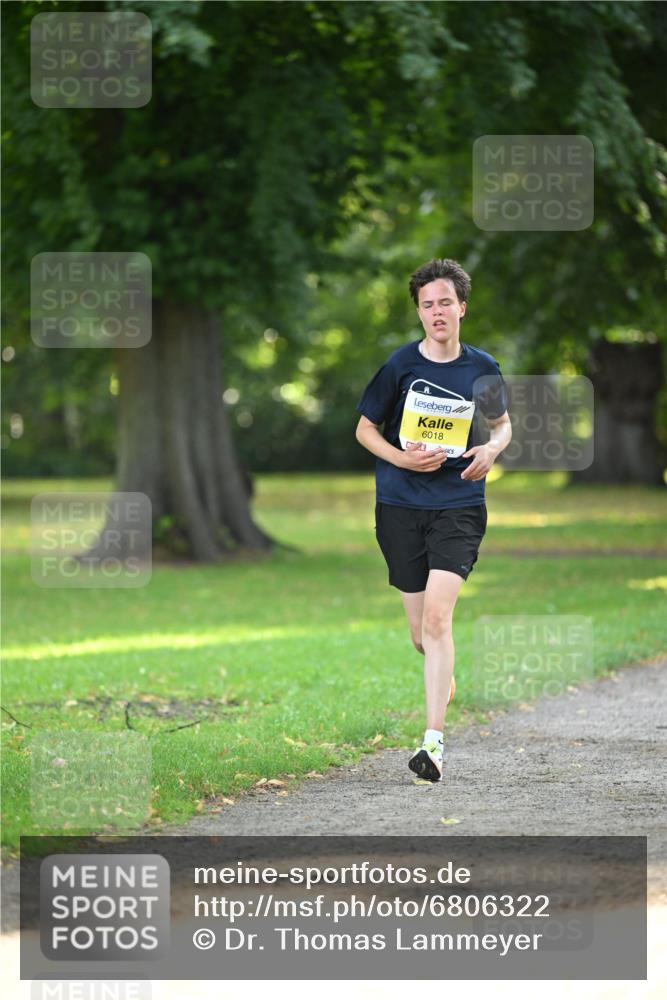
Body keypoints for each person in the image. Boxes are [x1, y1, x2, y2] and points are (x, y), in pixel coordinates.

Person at [355, 258, 512, 782]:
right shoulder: (400, 365)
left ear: (461, 307)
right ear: (419, 313)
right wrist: (401, 458)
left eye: (445, 302)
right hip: (400, 506)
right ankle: (439, 668)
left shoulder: (482, 367)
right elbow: (364, 430)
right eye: (427, 305)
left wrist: (492, 450)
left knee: (438, 620)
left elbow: (503, 426)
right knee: (423, 636)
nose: (437, 312)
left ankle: (433, 744)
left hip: (459, 506)